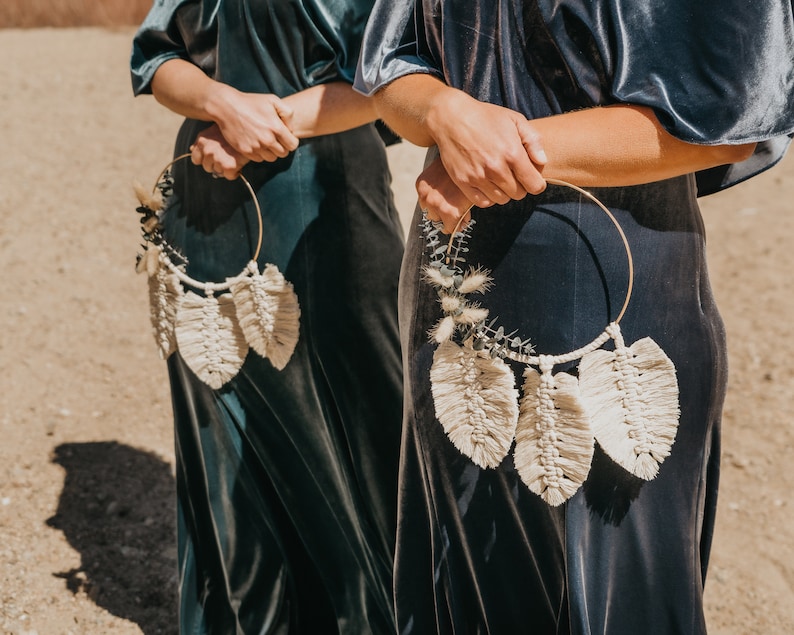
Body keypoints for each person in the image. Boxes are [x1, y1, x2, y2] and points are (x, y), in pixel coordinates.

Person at [355, 1, 794, 633]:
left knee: (614, 590)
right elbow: (390, 64)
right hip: (448, 285)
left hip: (610, 285)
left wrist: (499, 152)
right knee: (467, 571)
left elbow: (729, 111)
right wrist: (444, 113)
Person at [130, 1, 404, 632]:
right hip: (206, 191)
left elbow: (400, 73)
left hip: (328, 193)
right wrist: (222, 105)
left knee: (360, 414)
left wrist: (262, 123)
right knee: (221, 419)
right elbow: (156, 55)